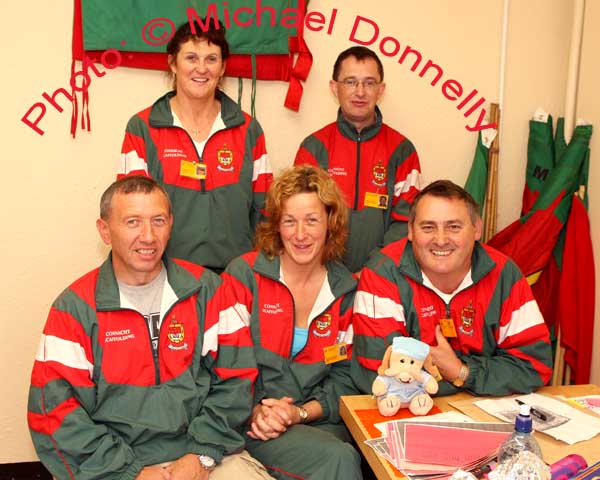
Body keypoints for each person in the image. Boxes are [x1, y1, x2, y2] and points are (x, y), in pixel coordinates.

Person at [27, 176, 273, 480]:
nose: (148, 236)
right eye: (132, 222)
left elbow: (237, 380)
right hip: (112, 463)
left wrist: (201, 454)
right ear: (105, 230)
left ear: (171, 224)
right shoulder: (73, 309)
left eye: (158, 220)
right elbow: (53, 413)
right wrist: (129, 472)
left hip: (202, 451)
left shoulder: (208, 290)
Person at [220, 166, 363, 479]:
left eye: (311, 220)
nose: (300, 234)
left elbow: (347, 378)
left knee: (351, 453)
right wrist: (258, 411)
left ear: (331, 223)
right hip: (251, 423)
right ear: (276, 226)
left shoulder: (346, 290)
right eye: (289, 221)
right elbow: (224, 366)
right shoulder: (243, 276)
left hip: (318, 421)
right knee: (337, 459)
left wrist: (299, 413)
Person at [352, 180, 553, 397]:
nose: (440, 240)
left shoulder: (504, 273)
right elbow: (380, 372)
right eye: (428, 227)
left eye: (454, 227)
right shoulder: (382, 273)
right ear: (410, 231)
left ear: (477, 229)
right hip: (402, 415)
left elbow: (533, 366)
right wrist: (478, 377)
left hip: (483, 412)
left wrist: (461, 371)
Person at [120, 19, 272, 273]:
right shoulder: (142, 128)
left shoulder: (248, 130)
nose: (201, 68)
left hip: (234, 280)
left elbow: (265, 214)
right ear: (173, 63)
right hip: (165, 277)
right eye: (191, 57)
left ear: (222, 67)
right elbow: (131, 214)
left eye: (211, 59)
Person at [295, 46, 421, 273]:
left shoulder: (402, 151)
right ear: (335, 88)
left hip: (383, 276)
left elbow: (406, 223)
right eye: (351, 82)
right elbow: (302, 220)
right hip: (321, 276)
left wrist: (374, 270)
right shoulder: (313, 148)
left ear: (381, 89)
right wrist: (330, 273)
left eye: (369, 83)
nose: (360, 92)